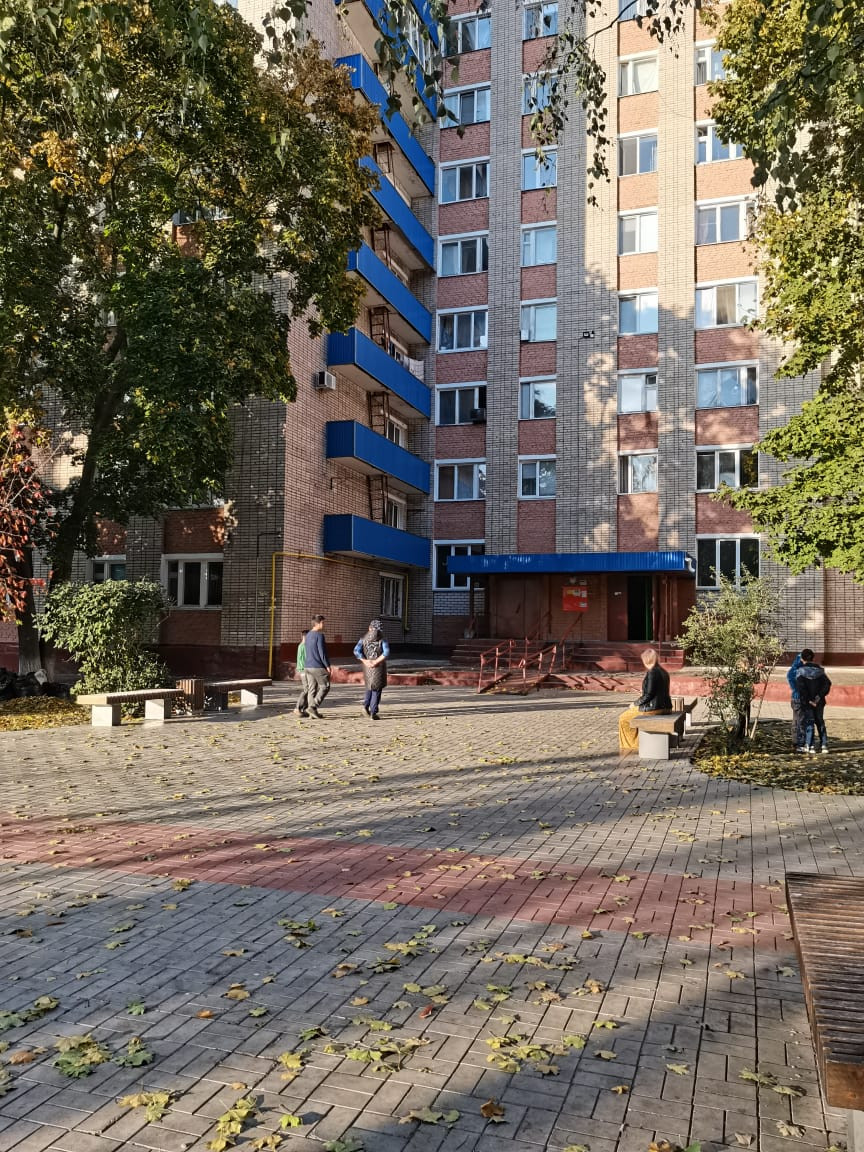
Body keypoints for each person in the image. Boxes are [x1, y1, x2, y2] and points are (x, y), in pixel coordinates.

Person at [618, 648, 673, 753]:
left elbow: (649, 695)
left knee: (623, 718)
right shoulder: (663, 671)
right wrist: (643, 692)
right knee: (628, 716)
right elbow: (656, 691)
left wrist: (635, 704)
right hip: (665, 706)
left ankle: (632, 745)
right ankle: (637, 742)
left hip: (655, 708)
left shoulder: (652, 673)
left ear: (646, 660)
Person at [795, 648, 831, 754]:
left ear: (802, 659)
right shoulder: (820, 671)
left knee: (809, 722)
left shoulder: (800, 672)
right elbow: (827, 684)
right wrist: (818, 697)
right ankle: (824, 745)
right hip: (819, 702)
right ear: (813, 658)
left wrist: (809, 700)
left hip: (807, 702)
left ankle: (810, 745)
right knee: (820, 721)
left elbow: (801, 688)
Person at [353, 619, 389, 720]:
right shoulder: (382, 639)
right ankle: (373, 712)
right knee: (377, 689)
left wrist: (365, 661)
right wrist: (376, 661)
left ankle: (365, 707)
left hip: (367, 666)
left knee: (369, 686)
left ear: (369, 628)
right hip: (379, 667)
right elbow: (386, 652)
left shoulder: (363, 639)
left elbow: (356, 651)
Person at [299, 614, 331, 719]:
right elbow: (322, 652)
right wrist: (327, 665)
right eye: (323, 622)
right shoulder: (319, 636)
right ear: (319, 623)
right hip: (317, 666)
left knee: (312, 690)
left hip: (307, 666)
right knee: (325, 687)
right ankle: (313, 707)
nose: (324, 624)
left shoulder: (308, 635)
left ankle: (312, 713)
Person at [787, 651, 804, 751]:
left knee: (796, 720)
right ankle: (801, 742)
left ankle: (795, 742)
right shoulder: (805, 671)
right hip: (803, 698)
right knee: (802, 721)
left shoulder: (792, 671)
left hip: (795, 698)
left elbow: (792, 683)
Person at [292, 631, 309, 718]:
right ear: (305, 637)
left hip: (307, 670)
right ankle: (297, 708)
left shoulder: (306, 646)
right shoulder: (302, 646)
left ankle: (304, 709)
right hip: (304, 670)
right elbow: (301, 660)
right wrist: (303, 670)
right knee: (307, 689)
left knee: (310, 689)